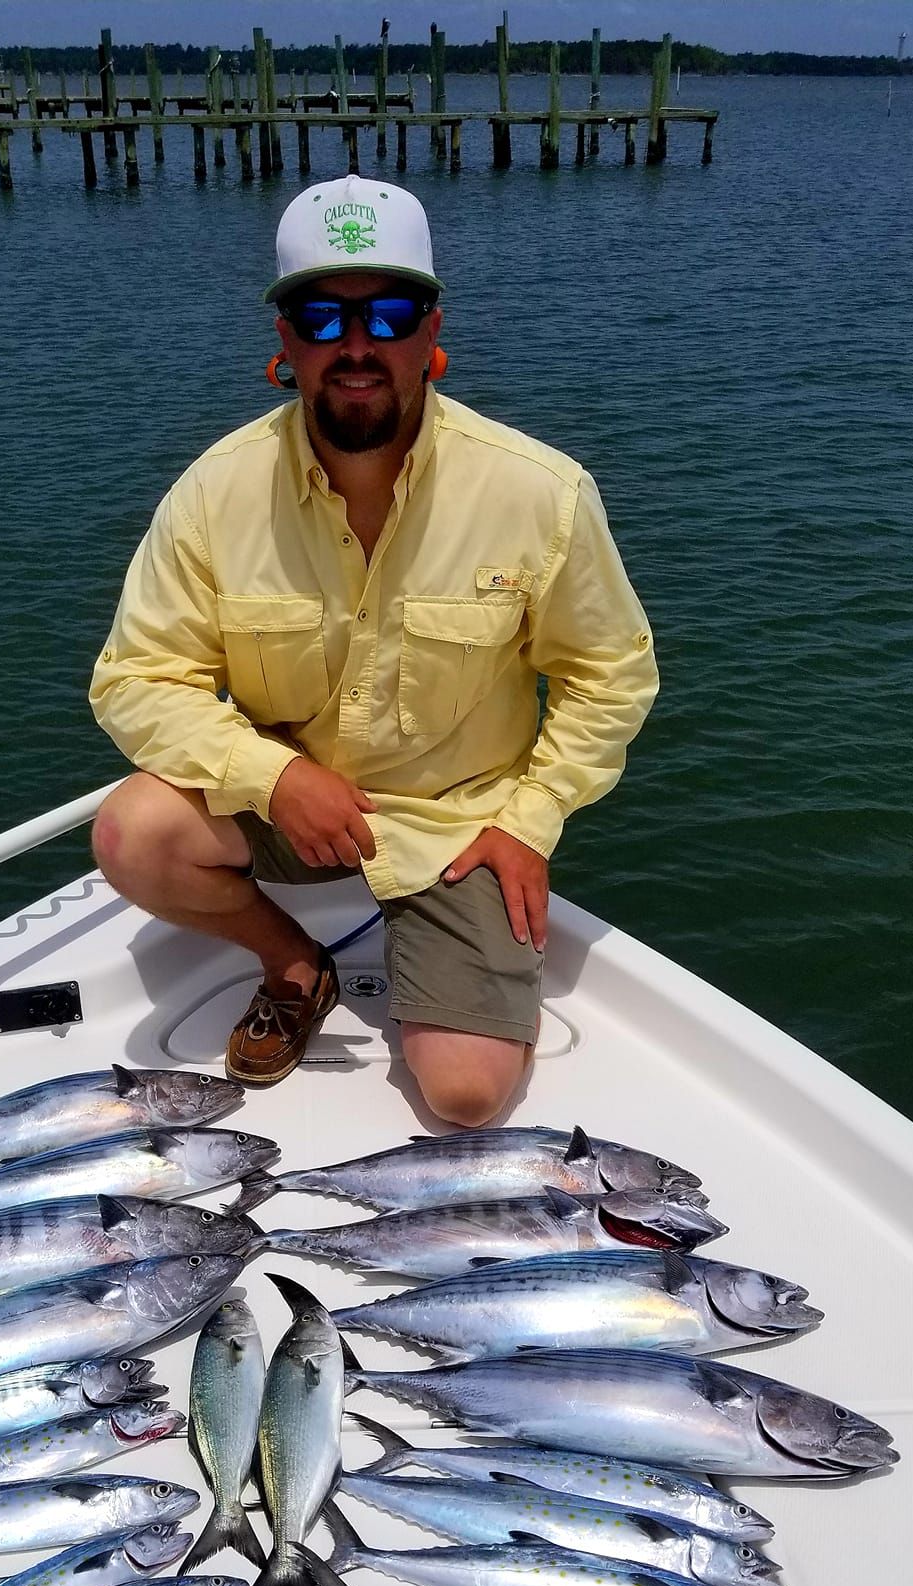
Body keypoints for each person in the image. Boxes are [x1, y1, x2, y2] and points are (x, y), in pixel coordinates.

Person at [89, 175, 659, 1127]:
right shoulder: (214, 492)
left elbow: (613, 673)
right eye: (321, 316)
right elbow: (135, 678)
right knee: (131, 835)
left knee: (468, 1098)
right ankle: (293, 964)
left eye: (388, 313)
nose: (357, 345)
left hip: (457, 825)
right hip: (297, 805)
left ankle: (432, 942)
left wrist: (531, 819)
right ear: (285, 343)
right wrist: (270, 778)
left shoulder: (539, 493)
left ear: (432, 333)